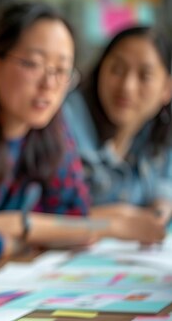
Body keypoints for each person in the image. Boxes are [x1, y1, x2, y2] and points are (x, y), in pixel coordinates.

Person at [0, 2, 165, 269]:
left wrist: (20, 226)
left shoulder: (50, 129)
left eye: (61, 70)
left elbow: (75, 215)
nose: (49, 84)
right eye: (33, 64)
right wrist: (39, 235)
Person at [63, 26, 172, 231]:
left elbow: (164, 188)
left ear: (167, 88)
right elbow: (48, 214)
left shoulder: (159, 131)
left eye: (145, 76)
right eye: (117, 69)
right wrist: (119, 219)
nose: (127, 86)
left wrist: (161, 208)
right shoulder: (66, 120)